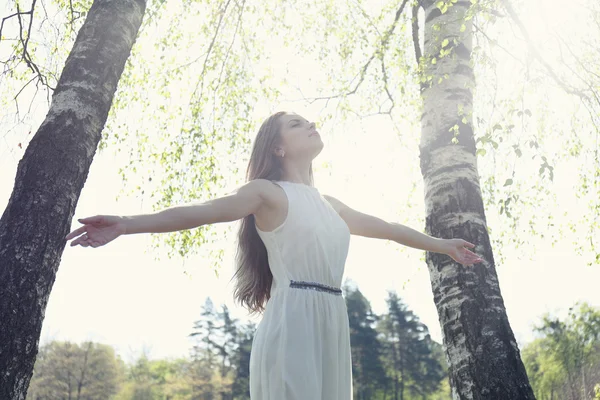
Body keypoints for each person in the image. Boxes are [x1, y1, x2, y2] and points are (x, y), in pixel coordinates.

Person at [66, 111, 483, 399]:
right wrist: (125, 223)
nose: (310, 126)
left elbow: (390, 231)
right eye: (297, 125)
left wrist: (443, 246)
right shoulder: (265, 193)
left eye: (309, 121)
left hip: (332, 321)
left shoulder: (332, 204)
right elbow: (204, 212)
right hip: (293, 320)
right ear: (278, 148)